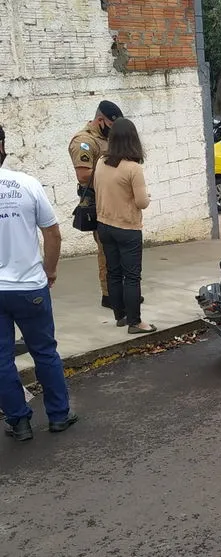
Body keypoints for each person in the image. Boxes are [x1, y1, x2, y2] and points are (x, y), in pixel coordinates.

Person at [0, 125, 78, 441]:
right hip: (29, 286)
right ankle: (59, 416)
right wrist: (50, 271)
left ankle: (19, 422)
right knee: (44, 351)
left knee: (1, 359)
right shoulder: (27, 184)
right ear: (2, 145)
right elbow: (53, 233)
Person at [68, 101, 143, 310]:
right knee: (106, 251)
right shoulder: (84, 142)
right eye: (109, 124)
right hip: (99, 202)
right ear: (100, 120)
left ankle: (124, 293)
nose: (112, 129)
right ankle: (109, 295)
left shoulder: (107, 137)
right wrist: (112, 176)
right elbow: (83, 175)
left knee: (121, 252)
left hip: (118, 200)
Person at [94, 118, 156, 335]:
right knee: (131, 276)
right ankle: (135, 322)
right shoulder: (133, 168)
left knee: (113, 272)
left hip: (104, 225)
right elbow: (141, 202)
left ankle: (119, 315)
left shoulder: (101, 162)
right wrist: (147, 197)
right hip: (127, 228)